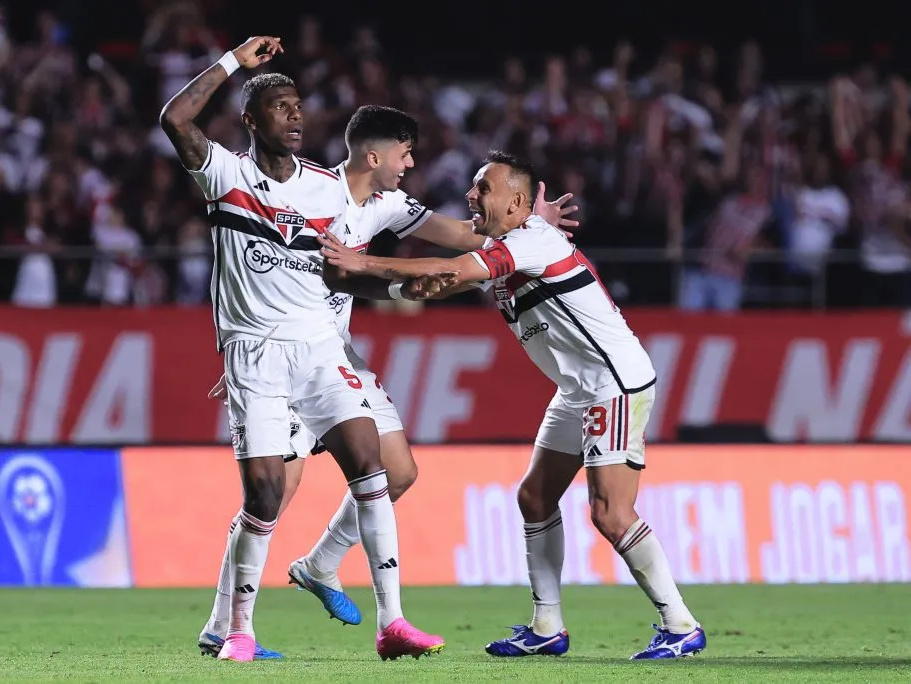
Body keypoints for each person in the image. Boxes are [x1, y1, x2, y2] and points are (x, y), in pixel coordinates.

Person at [201, 105, 579, 633]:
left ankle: (320, 565)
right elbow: (249, 264)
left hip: (333, 359)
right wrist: (245, 352)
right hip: (284, 360)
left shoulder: (386, 206)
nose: (410, 163)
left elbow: (462, 237)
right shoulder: (306, 194)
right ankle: (223, 624)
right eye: (404, 152)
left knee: (397, 471)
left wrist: (530, 225)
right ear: (374, 154)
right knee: (271, 498)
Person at [317, 150, 706, 660]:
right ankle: (547, 626)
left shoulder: (530, 242)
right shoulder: (514, 240)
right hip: (577, 388)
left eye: (484, 188)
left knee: (612, 513)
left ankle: (680, 624)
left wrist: (363, 261)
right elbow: (446, 263)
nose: (471, 195)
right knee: (535, 499)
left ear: (517, 201)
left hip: (612, 382)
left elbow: (454, 267)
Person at [160, 35, 443, 662]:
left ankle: (392, 622)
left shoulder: (328, 190)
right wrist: (235, 63)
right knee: (264, 495)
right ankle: (235, 629)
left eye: (298, 107)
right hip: (256, 355)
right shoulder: (225, 175)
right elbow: (175, 119)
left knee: (373, 463)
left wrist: (400, 281)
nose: (294, 116)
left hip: (319, 350)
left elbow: (342, 269)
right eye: (279, 106)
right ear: (250, 119)